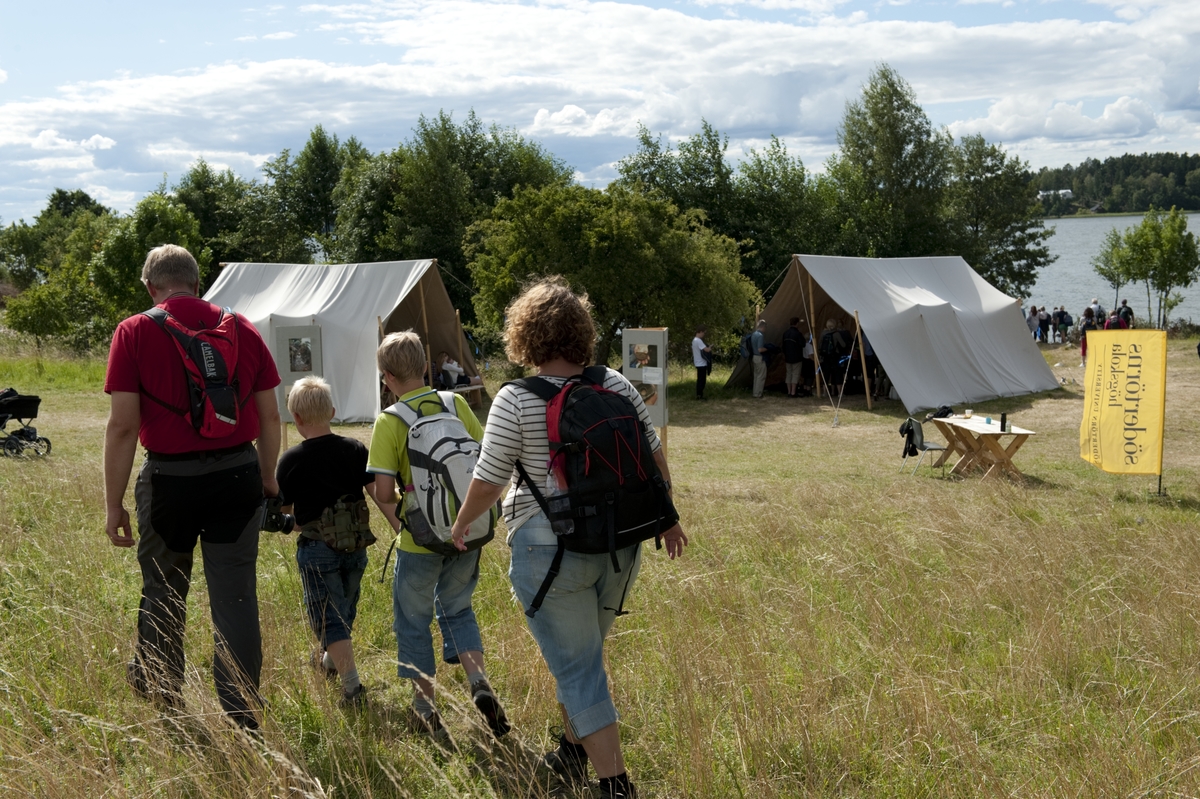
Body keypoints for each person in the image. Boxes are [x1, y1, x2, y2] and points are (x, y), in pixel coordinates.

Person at [448, 278, 688, 799]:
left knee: (579, 667)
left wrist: (462, 521)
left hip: (549, 550)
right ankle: (572, 753)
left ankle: (616, 786)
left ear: (524, 336)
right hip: (620, 543)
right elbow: (653, 458)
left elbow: (489, 480)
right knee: (581, 655)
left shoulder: (514, 399)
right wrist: (667, 518)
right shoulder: (617, 385)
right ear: (582, 331)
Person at [103, 244, 281, 729]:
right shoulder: (242, 328)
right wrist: (267, 480)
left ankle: (165, 699)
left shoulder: (134, 330)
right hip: (238, 476)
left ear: (150, 287)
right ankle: (243, 711)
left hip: (169, 481)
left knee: (163, 590)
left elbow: (122, 426)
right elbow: (269, 415)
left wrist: (113, 503)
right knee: (237, 596)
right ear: (198, 283)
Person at [367, 331, 508, 738]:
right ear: (426, 366)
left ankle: (425, 711)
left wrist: (401, 526)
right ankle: (478, 682)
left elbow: (380, 491)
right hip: (467, 532)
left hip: (420, 542)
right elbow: (484, 465)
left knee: (413, 621)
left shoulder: (390, 420)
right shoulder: (455, 402)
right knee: (458, 609)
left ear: (387, 376)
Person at [275, 376, 374, 708]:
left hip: (317, 548)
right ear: (332, 411)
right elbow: (376, 494)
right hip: (356, 546)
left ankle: (352, 688)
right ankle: (330, 662)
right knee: (344, 612)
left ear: (297, 419)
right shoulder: (356, 449)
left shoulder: (291, 460)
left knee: (329, 618)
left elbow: (283, 512)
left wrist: (293, 524)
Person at [781, 317, 806, 398]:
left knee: (788, 374)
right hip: (796, 358)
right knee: (795, 374)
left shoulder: (785, 333)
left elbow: (783, 346)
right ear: (797, 324)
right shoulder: (798, 334)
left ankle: (789, 392)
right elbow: (803, 344)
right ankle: (793, 392)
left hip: (788, 357)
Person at [691, 326, 711, 400]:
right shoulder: (698, 340)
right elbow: (706, 350)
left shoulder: (694, 340)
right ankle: (699, 395)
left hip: (698, 363)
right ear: (700, 332)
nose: (704, 335)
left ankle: (699, 395)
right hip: (701, 363)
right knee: (702, 380)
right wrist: (710, 348)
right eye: (703, 333)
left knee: (700, 379)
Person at [750, 319, 768, 399]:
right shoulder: (760, 336)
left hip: (754, 357)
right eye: (765, 327)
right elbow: (760, 349)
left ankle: (755, 392)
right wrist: (767, 348)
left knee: (756, 376)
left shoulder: (754, 334)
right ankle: (758, 394)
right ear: (763, 326)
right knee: (761, 376)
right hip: (760, 357)